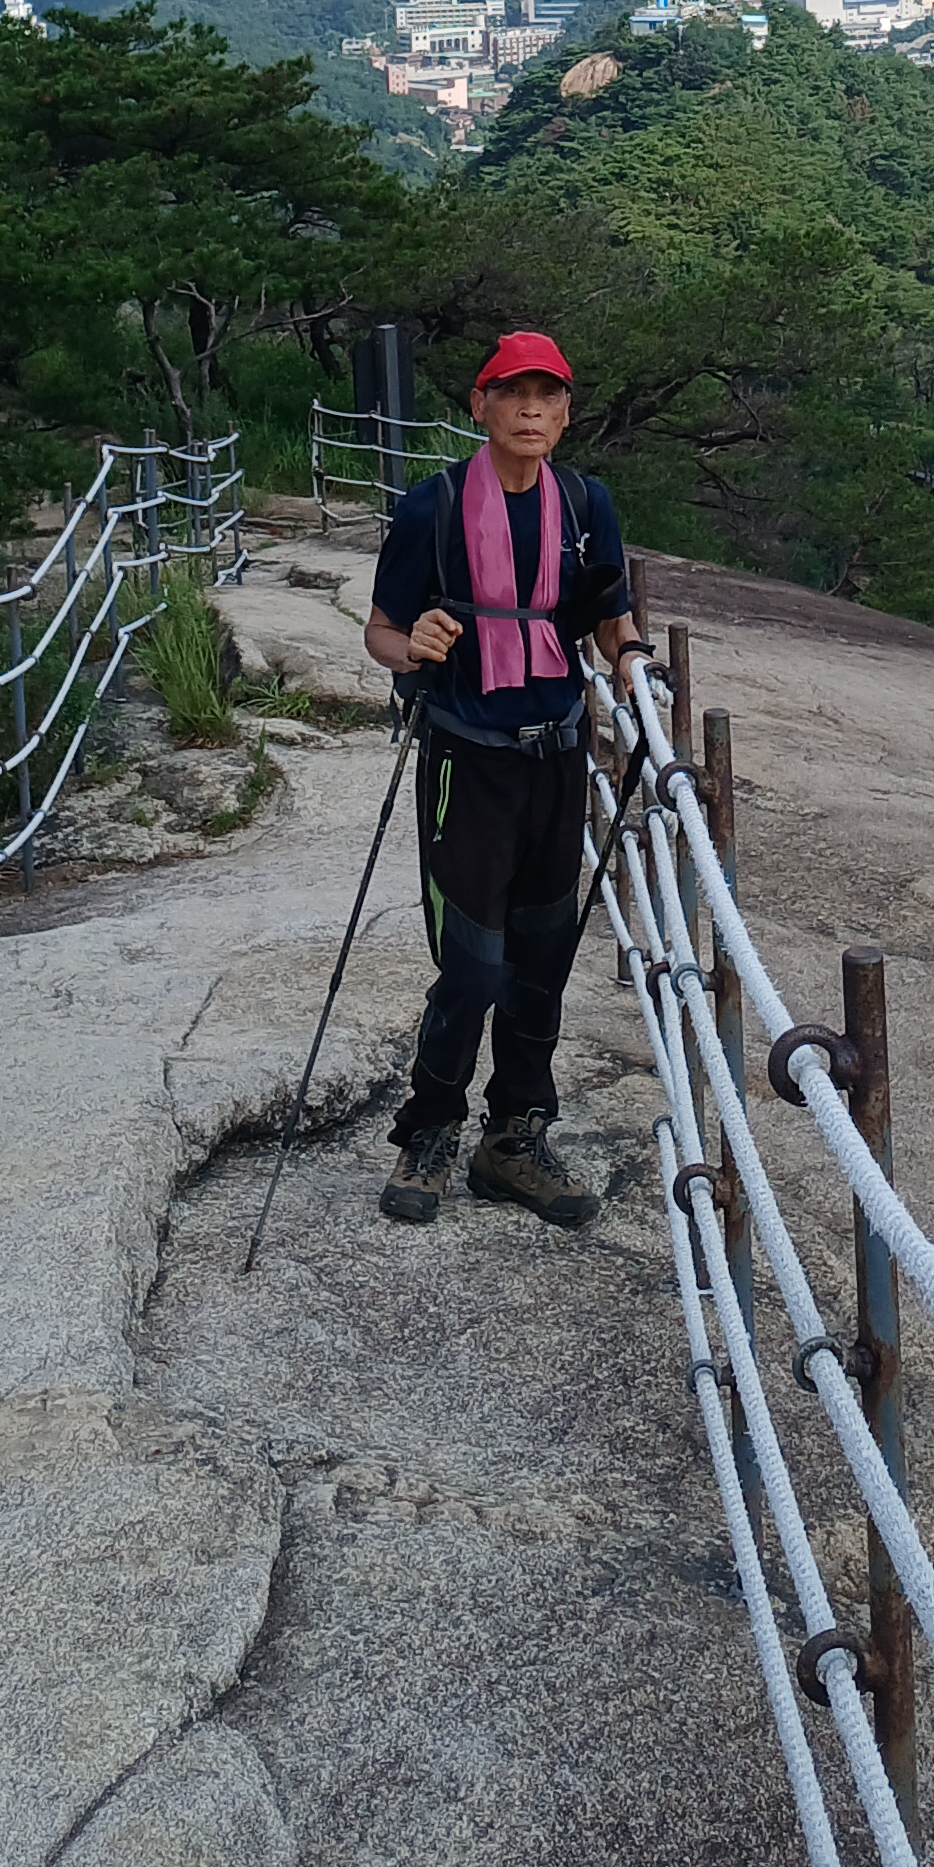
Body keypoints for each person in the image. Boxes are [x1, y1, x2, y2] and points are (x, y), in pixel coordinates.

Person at [364, 330, 646, 1230]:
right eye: (513, 392)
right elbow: (380, 630)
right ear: (479, 406)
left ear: (566, 412)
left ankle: (513, 1139)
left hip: (557, 757)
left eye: (549, 394)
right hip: (467, 760)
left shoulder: (587, 504)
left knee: (543, 957)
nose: (531, 409)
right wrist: (412, 644)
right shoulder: (434, 506)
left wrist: (632, 661)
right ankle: (430, 1127)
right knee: (473, 965)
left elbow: (607, 612)